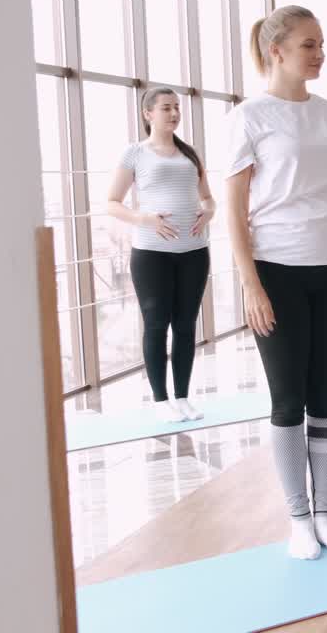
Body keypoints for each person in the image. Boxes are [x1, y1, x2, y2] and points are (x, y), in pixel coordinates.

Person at [225, 5, 327, 561]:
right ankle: (297, 517)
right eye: (308, 45)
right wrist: (251, 284)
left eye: (321, 44)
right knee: (288, 400)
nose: (320, 54)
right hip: (278, 272)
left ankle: (326, 517)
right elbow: (235, 210)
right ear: (277, 52)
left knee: (326, 398)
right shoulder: (251, 117)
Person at [107, 87, 214, 422]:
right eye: (166, 108)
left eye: (177, 108)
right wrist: (145, 219)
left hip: (194, 253)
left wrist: (208, 213)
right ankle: (159, 400)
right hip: (152, 254)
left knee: (185, 326)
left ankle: (182, 397)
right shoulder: (135, 154)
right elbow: (112, 202)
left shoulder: (190, 154)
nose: (174, 113)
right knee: (156, 324)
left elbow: (209, 199)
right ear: (148, 113)